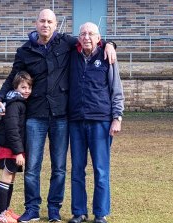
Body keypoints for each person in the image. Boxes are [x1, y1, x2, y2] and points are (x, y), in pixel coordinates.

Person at [0, 9, 116, 223]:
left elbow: (89, 39)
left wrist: (109, 44)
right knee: (32, 166)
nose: (46, 25)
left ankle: (54, 210)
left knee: (59, 167)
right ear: (36, 23)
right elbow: (12, 77)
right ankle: (32, 208)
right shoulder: (25, 51)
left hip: (61, 116)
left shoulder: (65, 42)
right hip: (35, 116)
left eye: (50, 21)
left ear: (56, 24)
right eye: (42, 21)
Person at [67, 22, 125, 223]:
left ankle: (100, 213)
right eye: (82, 34)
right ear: (78, 38)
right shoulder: (72, 55)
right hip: (76, 121)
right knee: (77, 169)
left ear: (99, 38)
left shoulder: (107, 56)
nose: (86, 37)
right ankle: (79, 212)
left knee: (101, 170)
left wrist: (117, 118)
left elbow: (116, 89)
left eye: (91, 34)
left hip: (101, 121)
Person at [0, 71, 33, 223]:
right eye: (23, 87)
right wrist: (18, 152)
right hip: (10, 147)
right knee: (7, 176)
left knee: (11, 177)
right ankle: (0, 213)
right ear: (16, 87)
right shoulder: (15, 104)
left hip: (14, 147)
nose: (27, 91)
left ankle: (6, 210)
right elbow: (12, 129)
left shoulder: (19, 102)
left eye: (29, 87)